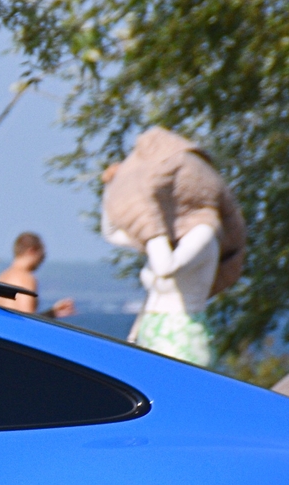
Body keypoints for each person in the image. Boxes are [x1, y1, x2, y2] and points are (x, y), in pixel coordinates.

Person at [100, 128, 247, 367]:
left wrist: (151, 228)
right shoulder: (169, 238)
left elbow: (165, 267)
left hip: (182, 336)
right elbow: (112, 233)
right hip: (151, 331)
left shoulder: (204, 232)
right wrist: (112, 188)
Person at [0, 231, 76, 319]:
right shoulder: (26, 278)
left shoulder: (3, 276)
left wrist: (51, 313)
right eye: (42, 255)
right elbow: (28, 321)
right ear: (32, 251)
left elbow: (18, 315)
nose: (42, 260)